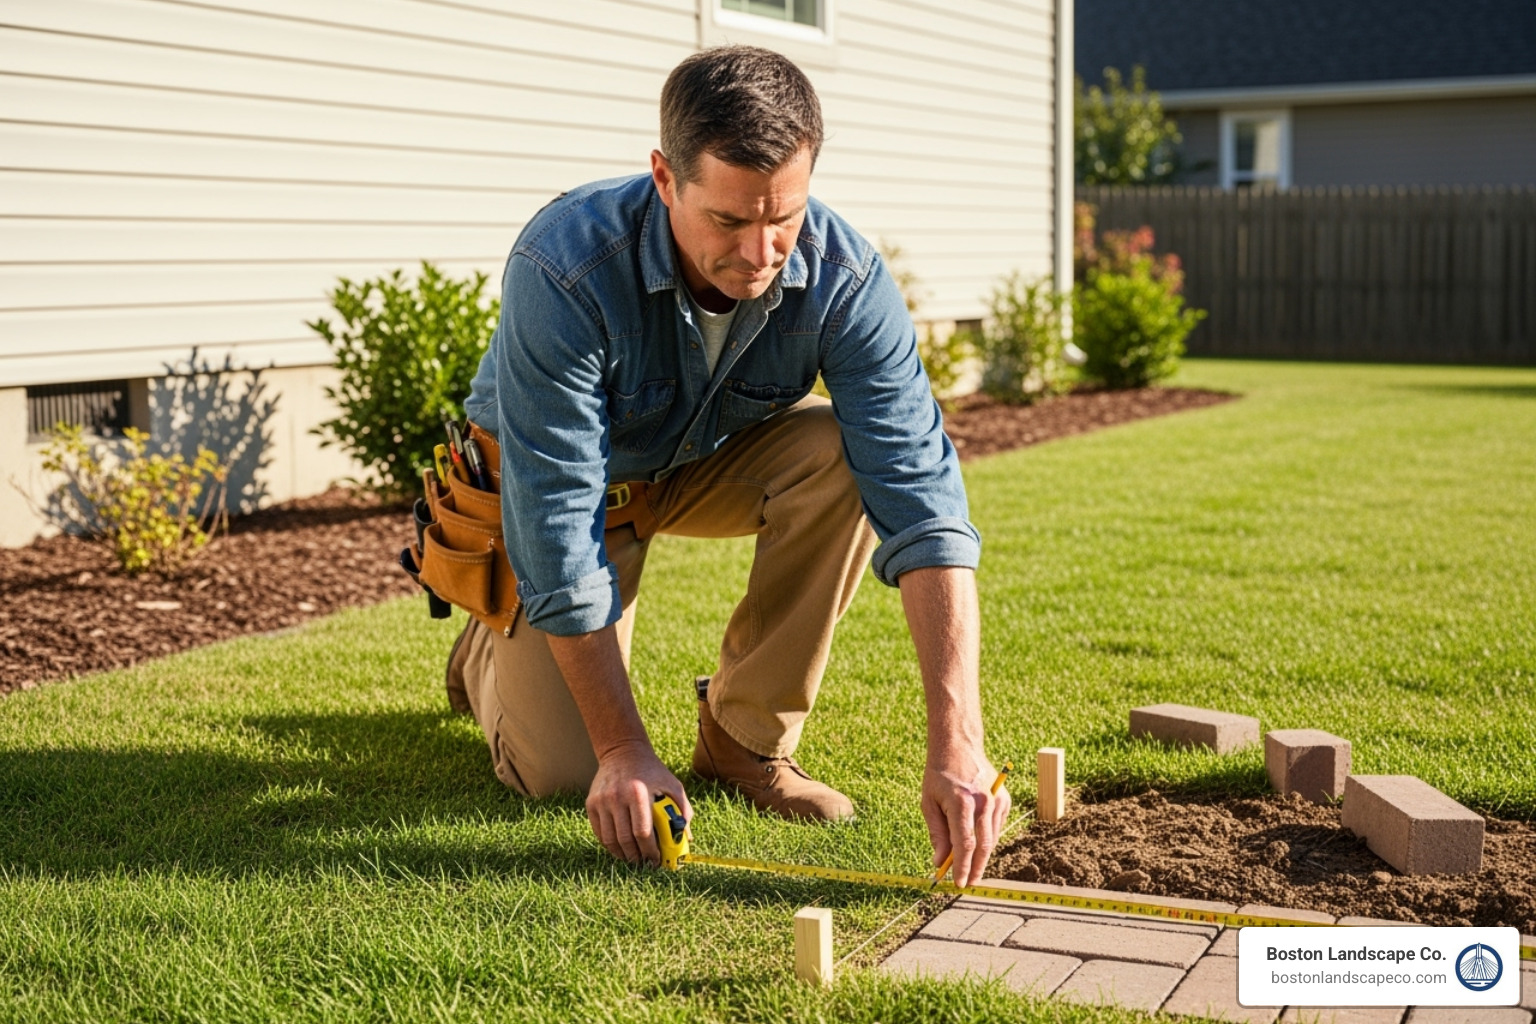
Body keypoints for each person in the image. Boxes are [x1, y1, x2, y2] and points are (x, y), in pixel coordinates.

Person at [449, 45, 1009, 887]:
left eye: (783, 216)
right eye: (729, 221)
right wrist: (624, 749)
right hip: (576, 490)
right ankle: (487, 646)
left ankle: (743, 744)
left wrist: (958, 740)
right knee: (566, 776)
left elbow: (922, 500)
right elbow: (558, 515)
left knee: (842, 457)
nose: (761, 251)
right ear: (665, 179)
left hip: (703, 461)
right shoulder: (563, 265)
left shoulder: (846, 277)